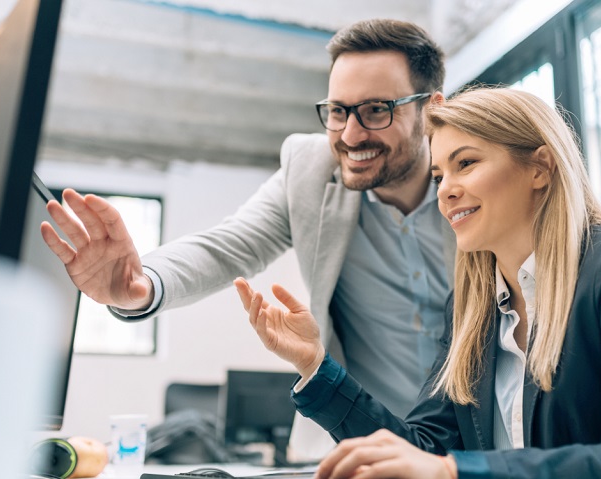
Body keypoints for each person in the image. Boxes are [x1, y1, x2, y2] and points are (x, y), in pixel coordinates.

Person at [233, 87, 601, 478]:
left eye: (466, 164)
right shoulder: (471, 307)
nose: (446, 190)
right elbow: (419, 449)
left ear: (540, 167)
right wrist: (316, 366)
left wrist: (452, 472)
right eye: (440, 174)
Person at [39, 19, 454, 445]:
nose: (350, 134)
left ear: (432, 111)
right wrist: (141, 283)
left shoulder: (477, 181)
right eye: (337, 111)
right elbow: (227, 247)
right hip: (362, 440)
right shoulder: (310, 170)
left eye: (376, 111)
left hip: (480, 443)